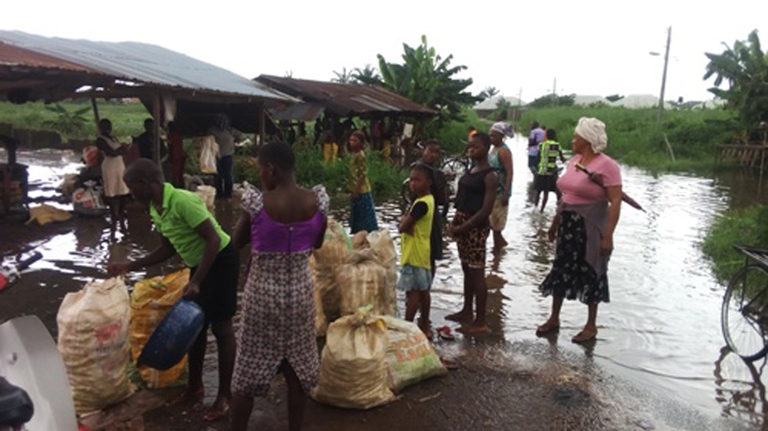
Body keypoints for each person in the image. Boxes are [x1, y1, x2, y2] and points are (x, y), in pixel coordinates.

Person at [108, 159, 239, 422]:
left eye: (133, 188)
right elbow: (167, 248)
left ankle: (225, 396)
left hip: (221, 260)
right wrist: (130, 265)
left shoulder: (182, 200)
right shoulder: (157, 207)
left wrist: (196, 282)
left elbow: (213, 239)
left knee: (222, 328)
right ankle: (195, 387)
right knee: (195, 328)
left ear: (147, 183)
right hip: (200, 265)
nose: (131, 194)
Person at [229, 142, 328, 431]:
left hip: (262, 298)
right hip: (299, 295)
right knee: (297, 370)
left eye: (260, 169)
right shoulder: (317, 201)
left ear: (271, 169)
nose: (260, 175)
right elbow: (318, 243)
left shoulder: (257, 204)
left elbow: (236, 243)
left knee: (247, 372)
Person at [536, 117, 622, 343]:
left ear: (587, 139)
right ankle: (554, 318)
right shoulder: (575, 160)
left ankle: (591, 325)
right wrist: (555, 223)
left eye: (576, 137)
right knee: (560, 268)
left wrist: (608, 236)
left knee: (592, 270)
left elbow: (615, 202)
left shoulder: (608, 166)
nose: (572, 140)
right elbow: (566, 196)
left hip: (590, 227)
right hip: (568, 224)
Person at [445, 132, 497, 334]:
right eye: (469, 147)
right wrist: (454, 221)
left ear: (486, 148)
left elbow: (486, 210)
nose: (471, 150)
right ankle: (467, 310)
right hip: (462, 222)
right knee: (467, 269)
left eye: (475, 147)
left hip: (475, 227)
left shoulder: (489, 176)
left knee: (477, 272)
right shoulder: (473, 169)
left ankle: (480, 321)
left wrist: (463, 227)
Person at [397, 164, 435, 337]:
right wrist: (407, 223)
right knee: (423, 290)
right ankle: (425, 325)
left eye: (417, 180)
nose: (412, 183)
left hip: (413, 253)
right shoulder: (429, 200)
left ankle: (407, 328)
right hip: (423, 252)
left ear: (428, 182)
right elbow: (408, 225)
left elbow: (402, 227)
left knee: (413, 293)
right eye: (411, 179)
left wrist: (404, 221)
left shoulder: (420, 205)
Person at [420, 140, 449, 276]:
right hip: (418, 214)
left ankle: (427, 287)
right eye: (430, 151)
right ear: (423, 151)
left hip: (432, 216)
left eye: (435, 152)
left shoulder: (437, 174)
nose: (432, 155)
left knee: (430, 253)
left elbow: (443, 200)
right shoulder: (418, 169)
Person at [95, 119, 130, 233]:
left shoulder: (113, 138)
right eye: (105, 126)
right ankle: (114, 214)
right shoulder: (100, 140)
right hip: (109, 166)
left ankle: (120, 213)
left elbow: (121, 151)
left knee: (123, 190)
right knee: (112, 191)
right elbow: (111, 152)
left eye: (109, 125)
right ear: (100, 127)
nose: (108, 128)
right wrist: (122, 149)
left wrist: (121, 150)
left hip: (119, 165)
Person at [488, 122, 514, 252]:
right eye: (490, 136)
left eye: (493, 136)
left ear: (501, 136)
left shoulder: (503, 151)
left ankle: (498, 257)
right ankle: (497, 255)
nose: (490, 138)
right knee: (492, 224)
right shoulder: (493, 150)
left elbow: (510, 172)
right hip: (491, 192)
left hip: (500, 193)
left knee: (497, 226)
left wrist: (506, 193)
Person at [348, 130, 379, 233]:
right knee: (357, 219)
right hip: (355, 189)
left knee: (364, 221)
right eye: (351, 140)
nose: (352, 143)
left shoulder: (361, 155)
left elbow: (362, 175)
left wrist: (356, 191)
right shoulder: (354, 154)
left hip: (362, 191)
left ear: (361, 143)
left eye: (355, 141)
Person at [209, 113, 245, 198]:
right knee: (218, 176)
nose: (222, 123)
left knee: (228, 175)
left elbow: (242, 136)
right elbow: (208, 141)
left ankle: (228, 195)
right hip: (216, 156)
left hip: (228, 155)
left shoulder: (230, 130)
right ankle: (219, 194)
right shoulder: (212, 131)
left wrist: (235, 141)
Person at [534, 128, 566, 212]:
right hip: (550, 172)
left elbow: (538, 158)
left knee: (539, 191)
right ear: (554, 136)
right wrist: (564, 161)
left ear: (546, 136)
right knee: (548, 192)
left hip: (541, 171)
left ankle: (535, 208)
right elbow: (562, 159)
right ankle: (543, 210)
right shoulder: (557, 145)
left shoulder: (541, 145)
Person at [167, 121, 186, 188]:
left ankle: (176, 186)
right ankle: (182, 186)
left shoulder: (170, 135)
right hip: (181, 154)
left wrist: (170, 156)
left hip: (175, 155)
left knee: (175, 173)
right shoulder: (179, 135)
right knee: (180, 173)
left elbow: (170, 146)